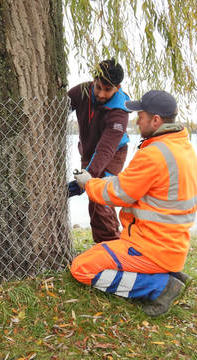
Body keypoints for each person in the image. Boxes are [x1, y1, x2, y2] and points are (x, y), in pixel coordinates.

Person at [69, 90, 197, 317]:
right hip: (170, 245)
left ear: (156, 120)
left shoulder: (154, 154)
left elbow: (118, 194)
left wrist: (88, 183)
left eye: (141, 115)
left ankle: (160, 286)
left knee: (82, 268)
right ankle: (168, 274)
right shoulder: (181, 146)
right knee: (100, 252)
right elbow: (131, 184)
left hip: (149, 247)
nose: (137, 120)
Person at [67, 59, 131, 244]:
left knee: (100, 198)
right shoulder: (82, 91)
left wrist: (87, 178)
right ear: (93, 81)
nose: (101, 94)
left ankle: (111, 245)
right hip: (87, 150)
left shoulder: (120, 112)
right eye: (98, 87)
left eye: (107, 89)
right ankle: (103, 246)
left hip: (113, 154)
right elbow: (59, 109)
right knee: (92, 198)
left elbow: (106, 149)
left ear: (117, 87)